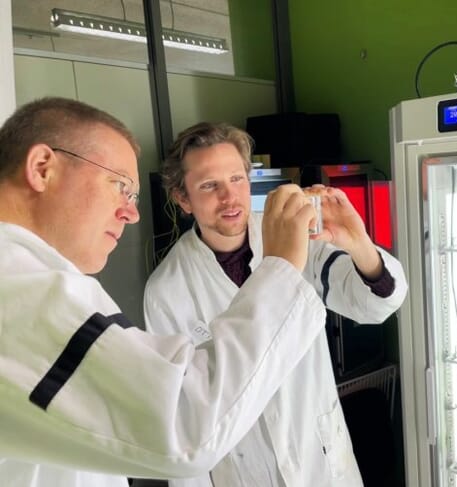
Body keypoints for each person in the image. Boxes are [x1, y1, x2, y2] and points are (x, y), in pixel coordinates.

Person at [0, 97, 332, 487]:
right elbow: (181, 422)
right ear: (43, 168)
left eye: (237, 178)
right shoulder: (22, 290)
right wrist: (282, 268)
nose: (131, 213)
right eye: (120, 185)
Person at [143, 121, 408, 487]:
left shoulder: (290, 235)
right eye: (209, 185)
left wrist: (358, 241)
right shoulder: (167, 290)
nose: (229, 197)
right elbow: (183, 422)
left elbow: (376, 305)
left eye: (237, 178)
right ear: (182, 198)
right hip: (242, 469)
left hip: (320, 460)